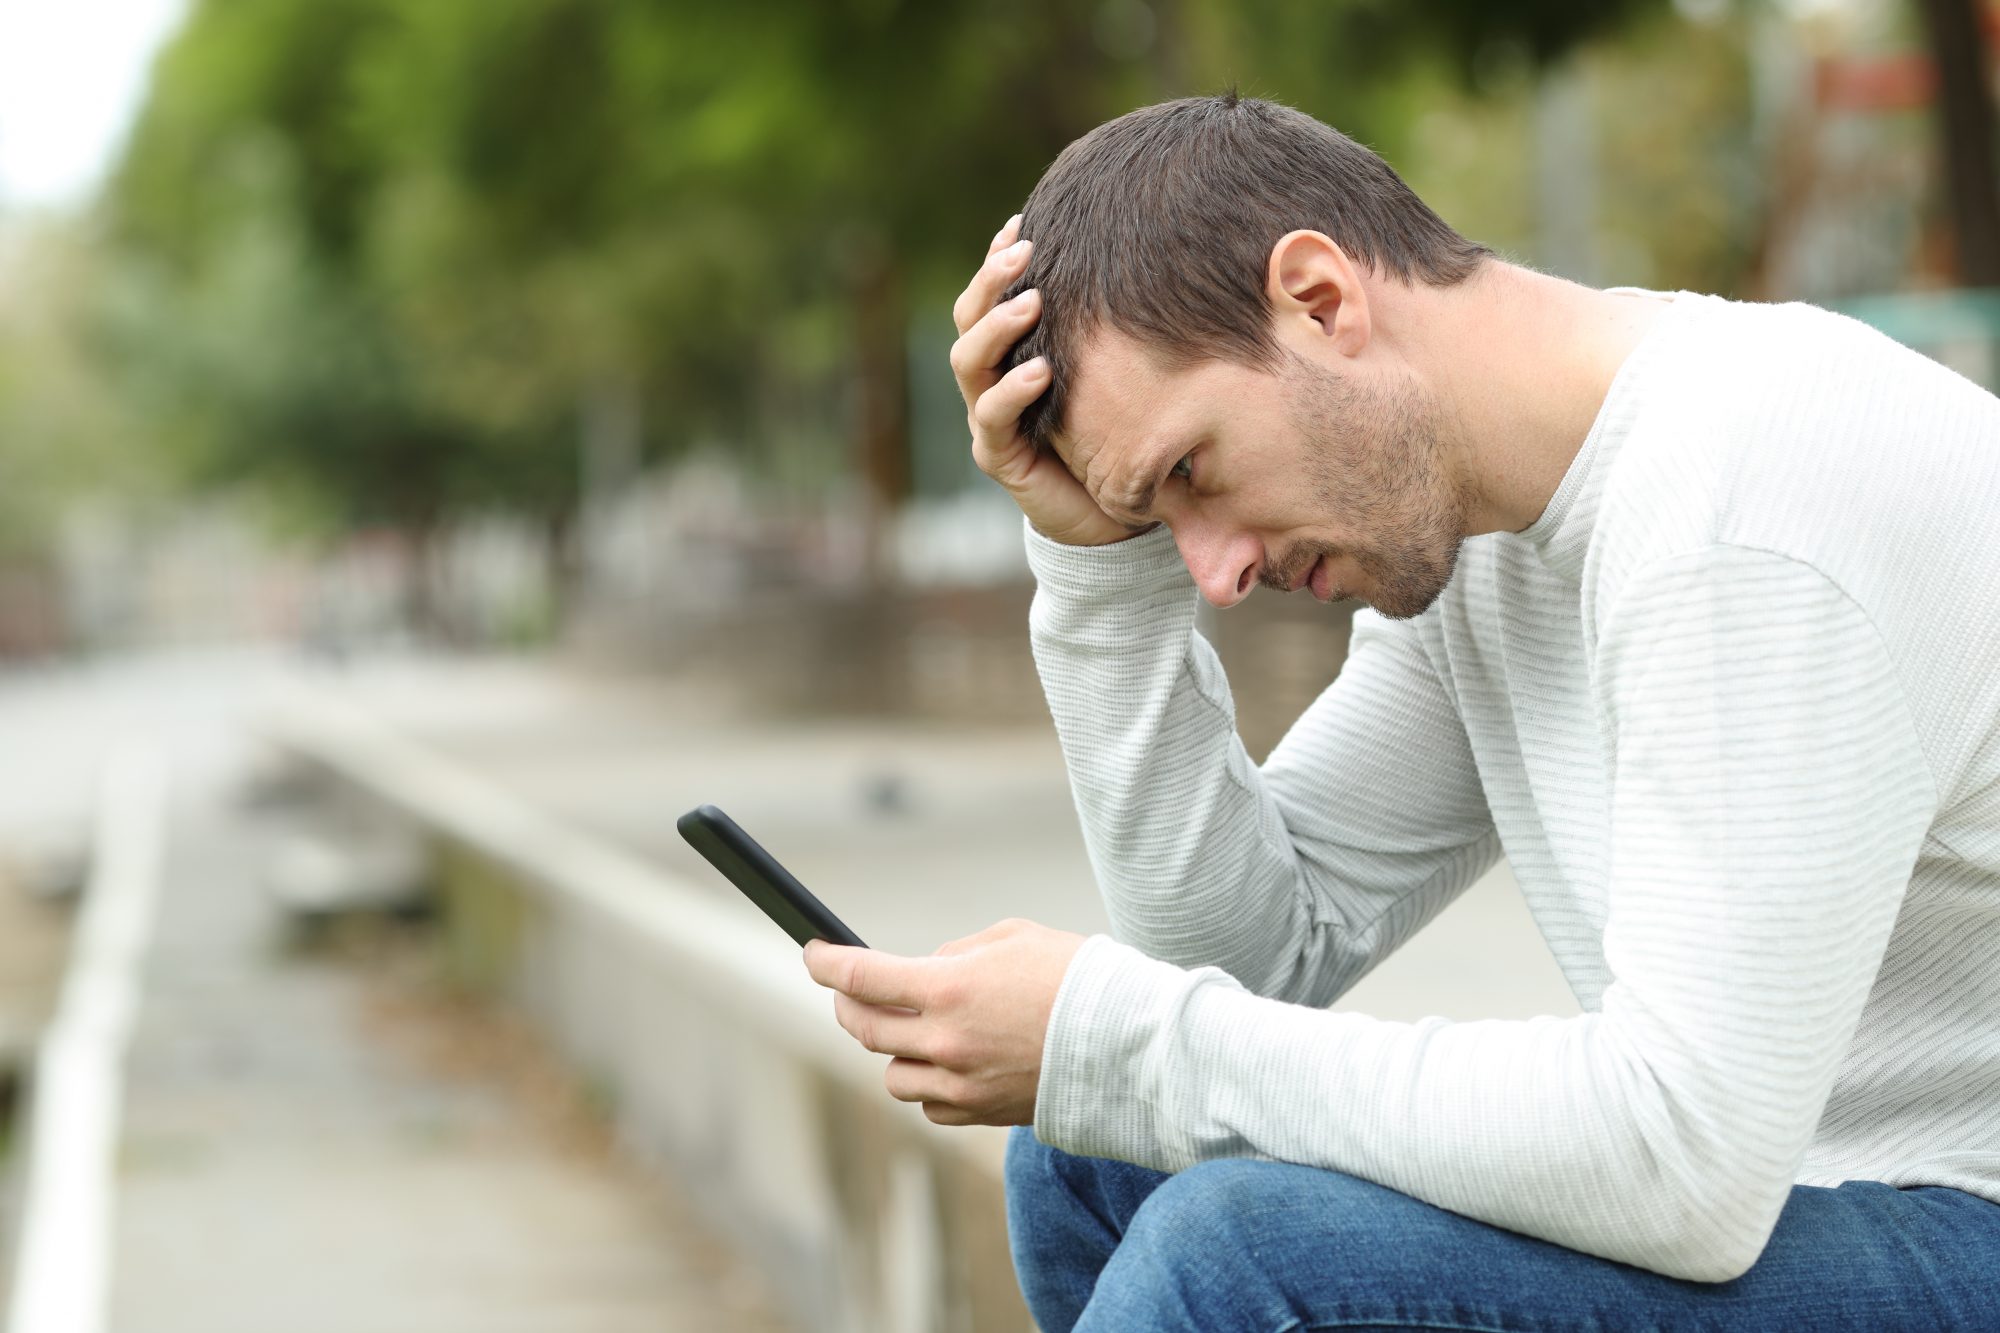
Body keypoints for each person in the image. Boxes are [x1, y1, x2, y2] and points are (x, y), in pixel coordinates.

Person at [803, 92, 2000, 1330]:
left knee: (1238, 1253)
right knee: (1089, 1152)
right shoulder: (1489, 538)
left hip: (1958, 1214)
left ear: (1320, 301)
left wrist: (1122, 1038)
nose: (1212, 574)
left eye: (1188, 475)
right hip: (1814, 1205)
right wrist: (1099, 571)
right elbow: (1249, 959)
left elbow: (1680, 1156)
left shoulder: (1742, 500)